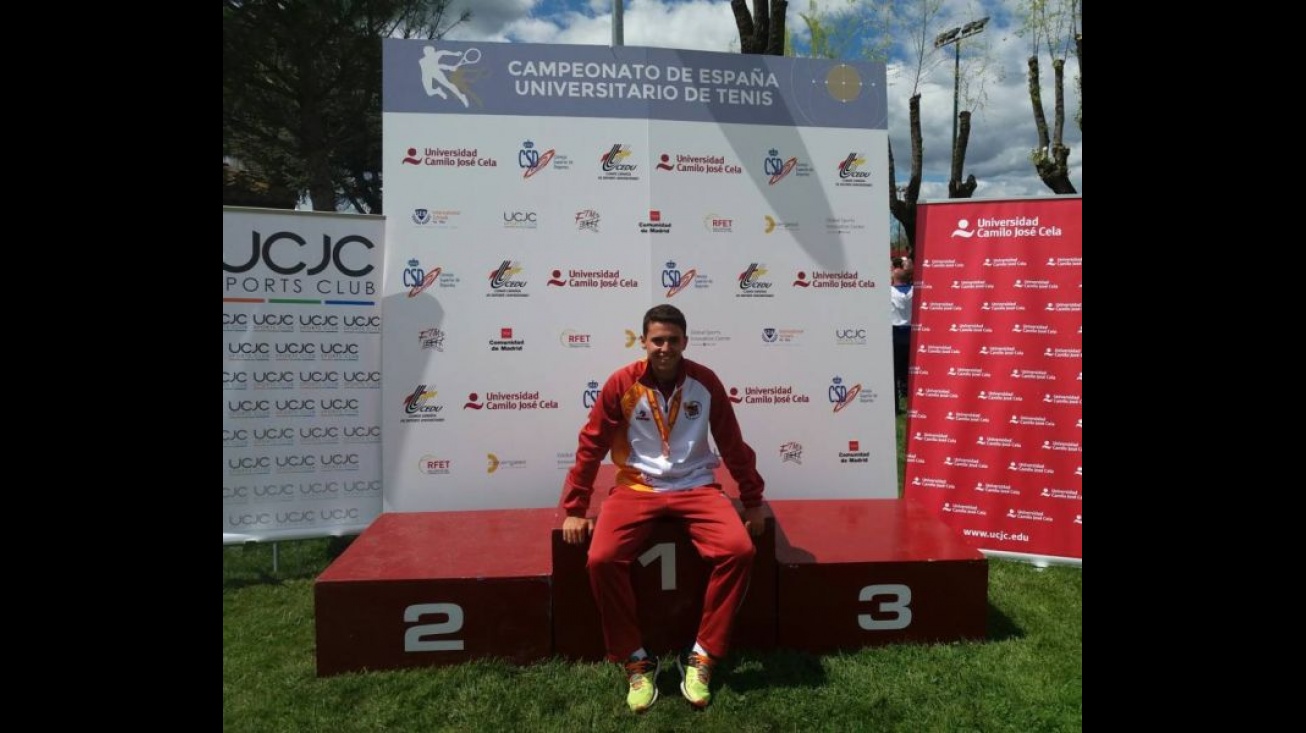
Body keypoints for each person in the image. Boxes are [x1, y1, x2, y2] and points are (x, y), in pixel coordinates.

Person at [561, 304, 767, 713]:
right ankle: (636, 659)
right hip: (638, 487)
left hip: (697, 486)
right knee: (601, 558)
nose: (665, 348)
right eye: (657, 340)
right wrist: (575, 506)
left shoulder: (705, 382)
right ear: (643, 342)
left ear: (685, 342)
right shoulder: (621, 383)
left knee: (739, 550)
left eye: (673, 340)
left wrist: (753, 499)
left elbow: (732, 443)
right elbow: (591, 444)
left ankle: (703, 655)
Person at [890, 263, 914, 414]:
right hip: (912, 333)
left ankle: (896, 406)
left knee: (894, 372)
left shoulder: (889, 291)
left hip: (895, 333)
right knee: (910, 372)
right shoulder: (914, 290)